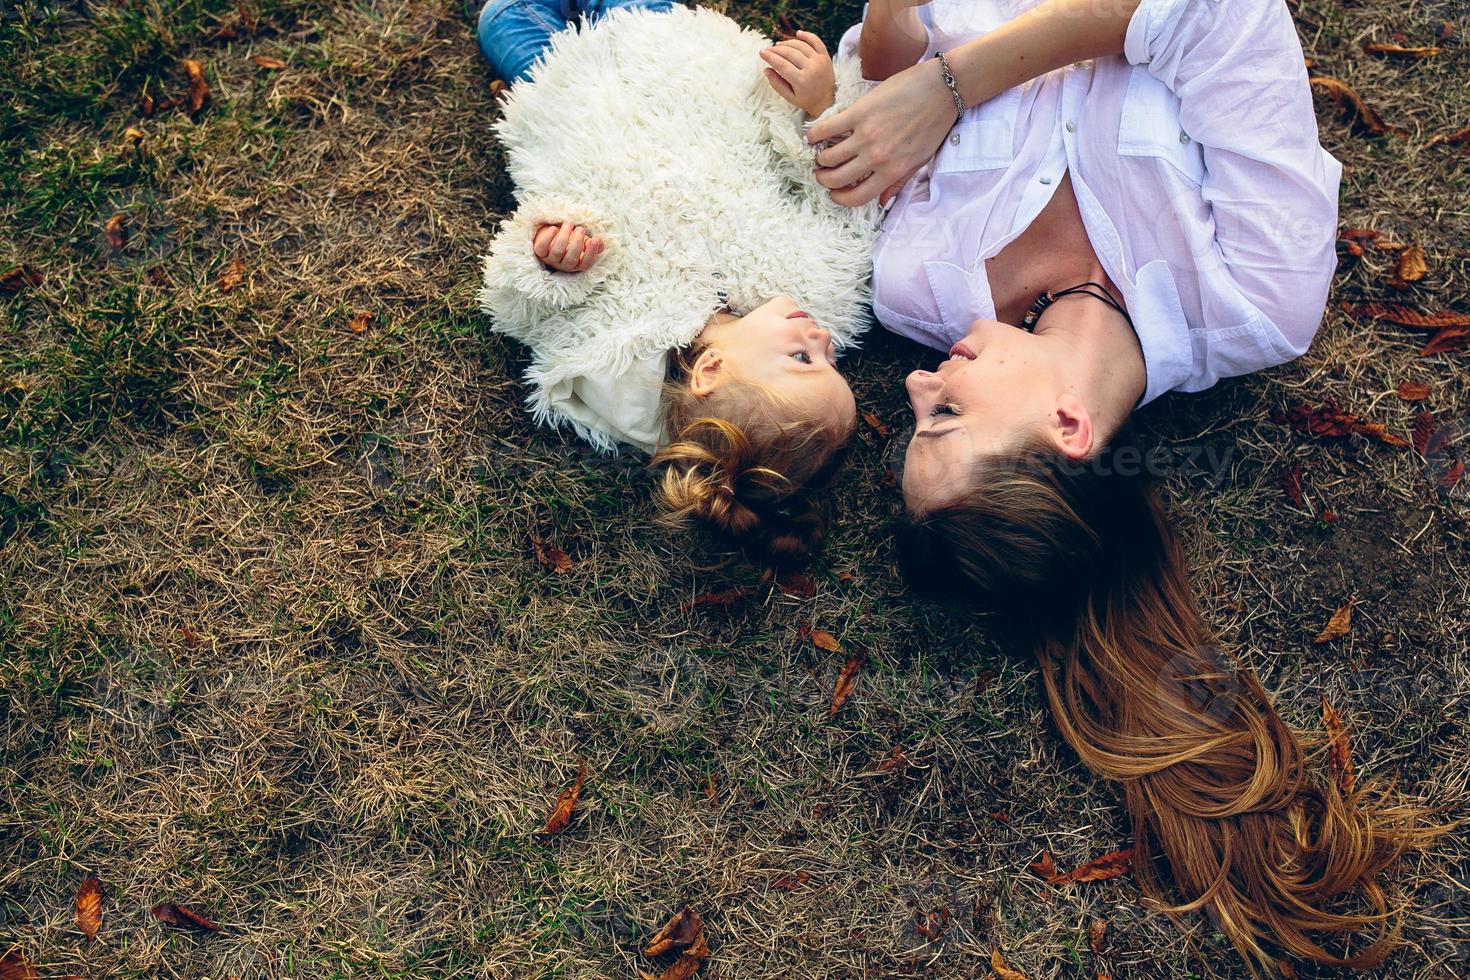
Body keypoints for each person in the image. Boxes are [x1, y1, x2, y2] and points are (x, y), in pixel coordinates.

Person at [821, 0, 1440, 970]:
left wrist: (904, 49)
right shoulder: (1254, 295)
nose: (913, 380)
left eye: (917, 409)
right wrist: (955, 87)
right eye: (945, 414)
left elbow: (876, 65)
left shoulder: (915, 284)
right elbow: (1216, 14)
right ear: (1067, 429)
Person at [475, 2, 881, 567]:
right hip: (683, 75)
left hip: (574, 101)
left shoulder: (620, 348)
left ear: (712, 371)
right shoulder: (817, 281)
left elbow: (527, 313)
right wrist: (819, 109)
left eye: (804, 359)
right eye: (833, 362)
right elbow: (844, 200)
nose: (825, 342)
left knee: (503, 19)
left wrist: (552, 261)